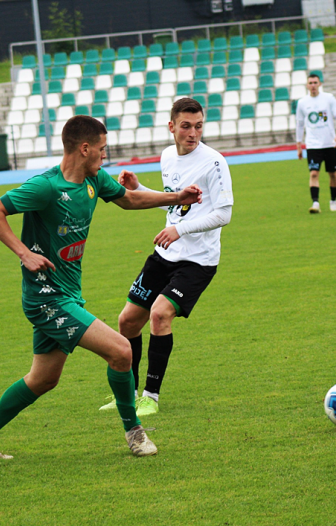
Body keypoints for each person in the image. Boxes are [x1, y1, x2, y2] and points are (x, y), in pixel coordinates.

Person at [0, 115, 203, 460]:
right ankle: (135, 433)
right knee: (121, 351)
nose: (106, 157)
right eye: (102, 150)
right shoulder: (46, 187)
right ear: (84, 148)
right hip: (47, 299)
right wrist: (24, 253)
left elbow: (130, 199)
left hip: (67, 293)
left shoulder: (95, 181)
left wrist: (178, 197)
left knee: (43, 379)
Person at [99, 98, 233, 417]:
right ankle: (127, 395)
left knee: (160, 315)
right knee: (127, 320)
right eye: (186, 126)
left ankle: (151, 397)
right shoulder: (167, 156)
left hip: (198, 261)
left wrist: (180, 230)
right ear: (171, 127)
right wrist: (139, 187)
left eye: (198, 126)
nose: (193, 133)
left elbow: (223, 214)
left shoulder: (214, 162)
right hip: (165, 254)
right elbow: (176, 206)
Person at [295, 74, 336, 214]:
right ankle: (315, 203)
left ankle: (333, 201)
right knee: (314, 173)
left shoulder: (328, 99)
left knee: (332, 174)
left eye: (315, 82)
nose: (313, 85)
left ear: (320, 84)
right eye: (310, 83)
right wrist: (299, 145)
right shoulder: (302, 103)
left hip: (329, 143)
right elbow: (299, 124)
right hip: (313, 145)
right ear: (307, 85)